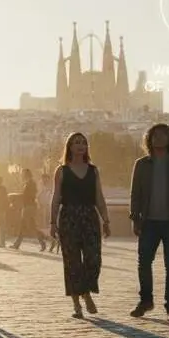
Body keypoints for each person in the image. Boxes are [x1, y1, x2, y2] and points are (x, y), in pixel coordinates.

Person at [128, 123, 169, 323]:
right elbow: (135, 195)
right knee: (144, 263)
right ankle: (145, 301)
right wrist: (135, 218)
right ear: (149, 139)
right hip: (148, 222)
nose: (158, 138)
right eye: (154, 135)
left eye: (162, 135)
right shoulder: (141, 164)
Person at [50, 133, 110, 318]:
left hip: (89, 217)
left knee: (93, 259)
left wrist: (106, 219)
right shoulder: (62, 171)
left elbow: (99, 196)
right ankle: (77, 303)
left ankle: (86, 291)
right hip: (69, 217)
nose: (80, 145)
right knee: (72, 262)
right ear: (69, 146)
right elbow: (56, 198)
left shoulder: (93, 171)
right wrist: (52, 222)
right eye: (76, 143)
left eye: (83, 142)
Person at [11, 169, 48, 251]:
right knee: (32, 226)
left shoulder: (30, 183)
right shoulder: (30, 183)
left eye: (22, 174)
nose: (21, 176)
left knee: (24, 225)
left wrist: (17, 195)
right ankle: (44, 242)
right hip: (29, 206)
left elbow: (28, 195)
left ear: (26, 175)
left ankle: (17, 244)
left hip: (29, 207)